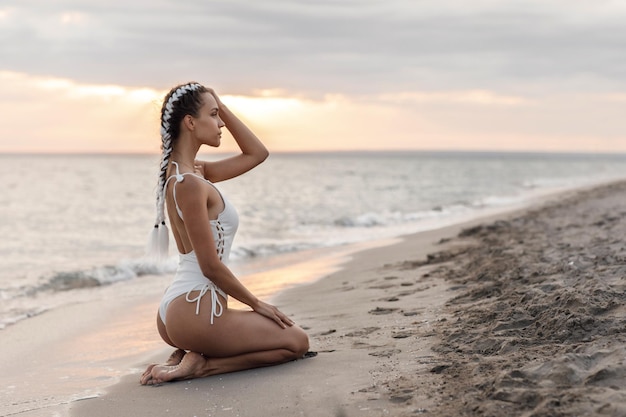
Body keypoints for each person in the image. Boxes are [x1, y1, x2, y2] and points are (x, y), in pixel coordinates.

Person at [140, 82, 310, 385]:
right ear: (190, 123)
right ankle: (202, 366)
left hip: (181, 310)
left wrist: (219, 103)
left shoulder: (189, 174)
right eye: (214, 115)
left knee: (289, 338)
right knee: (296, 342)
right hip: (195, 311)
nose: (220, 124)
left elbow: (257, 153)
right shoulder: (190, 184)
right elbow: (210, 266)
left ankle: (189, 355)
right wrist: (257, 303)